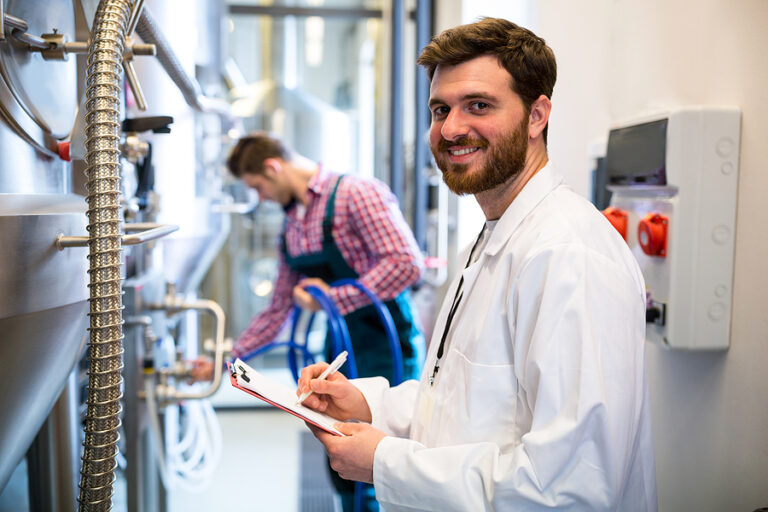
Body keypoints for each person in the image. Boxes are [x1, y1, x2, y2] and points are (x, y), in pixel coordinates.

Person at [297, 17, 658, 511]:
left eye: (479, 106)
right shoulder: (493, 236)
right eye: (440, 109)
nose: (450, 128)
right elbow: (462, 405)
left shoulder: (568, 256)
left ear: (537, 115)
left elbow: (570, 491)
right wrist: (368, 405)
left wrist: (385, 463)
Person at [190, 132, 425, 511]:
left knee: (388, 462)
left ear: (272, 166)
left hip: (386, 345)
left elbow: (406, 263)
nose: (261, 198)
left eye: (258, 187)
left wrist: (332, 299)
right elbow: (278, 307)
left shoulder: (356, 194)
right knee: (344, 458)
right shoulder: (293, 225)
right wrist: (227, 362)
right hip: (340, 347)